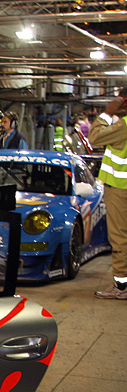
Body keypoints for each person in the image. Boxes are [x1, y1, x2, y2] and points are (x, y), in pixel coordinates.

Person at [89, 92, 127, 299]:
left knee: (119, 237)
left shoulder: (124, 126)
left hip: (121, 187)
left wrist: (106, 113)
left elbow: (94, 137)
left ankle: (121, 286)